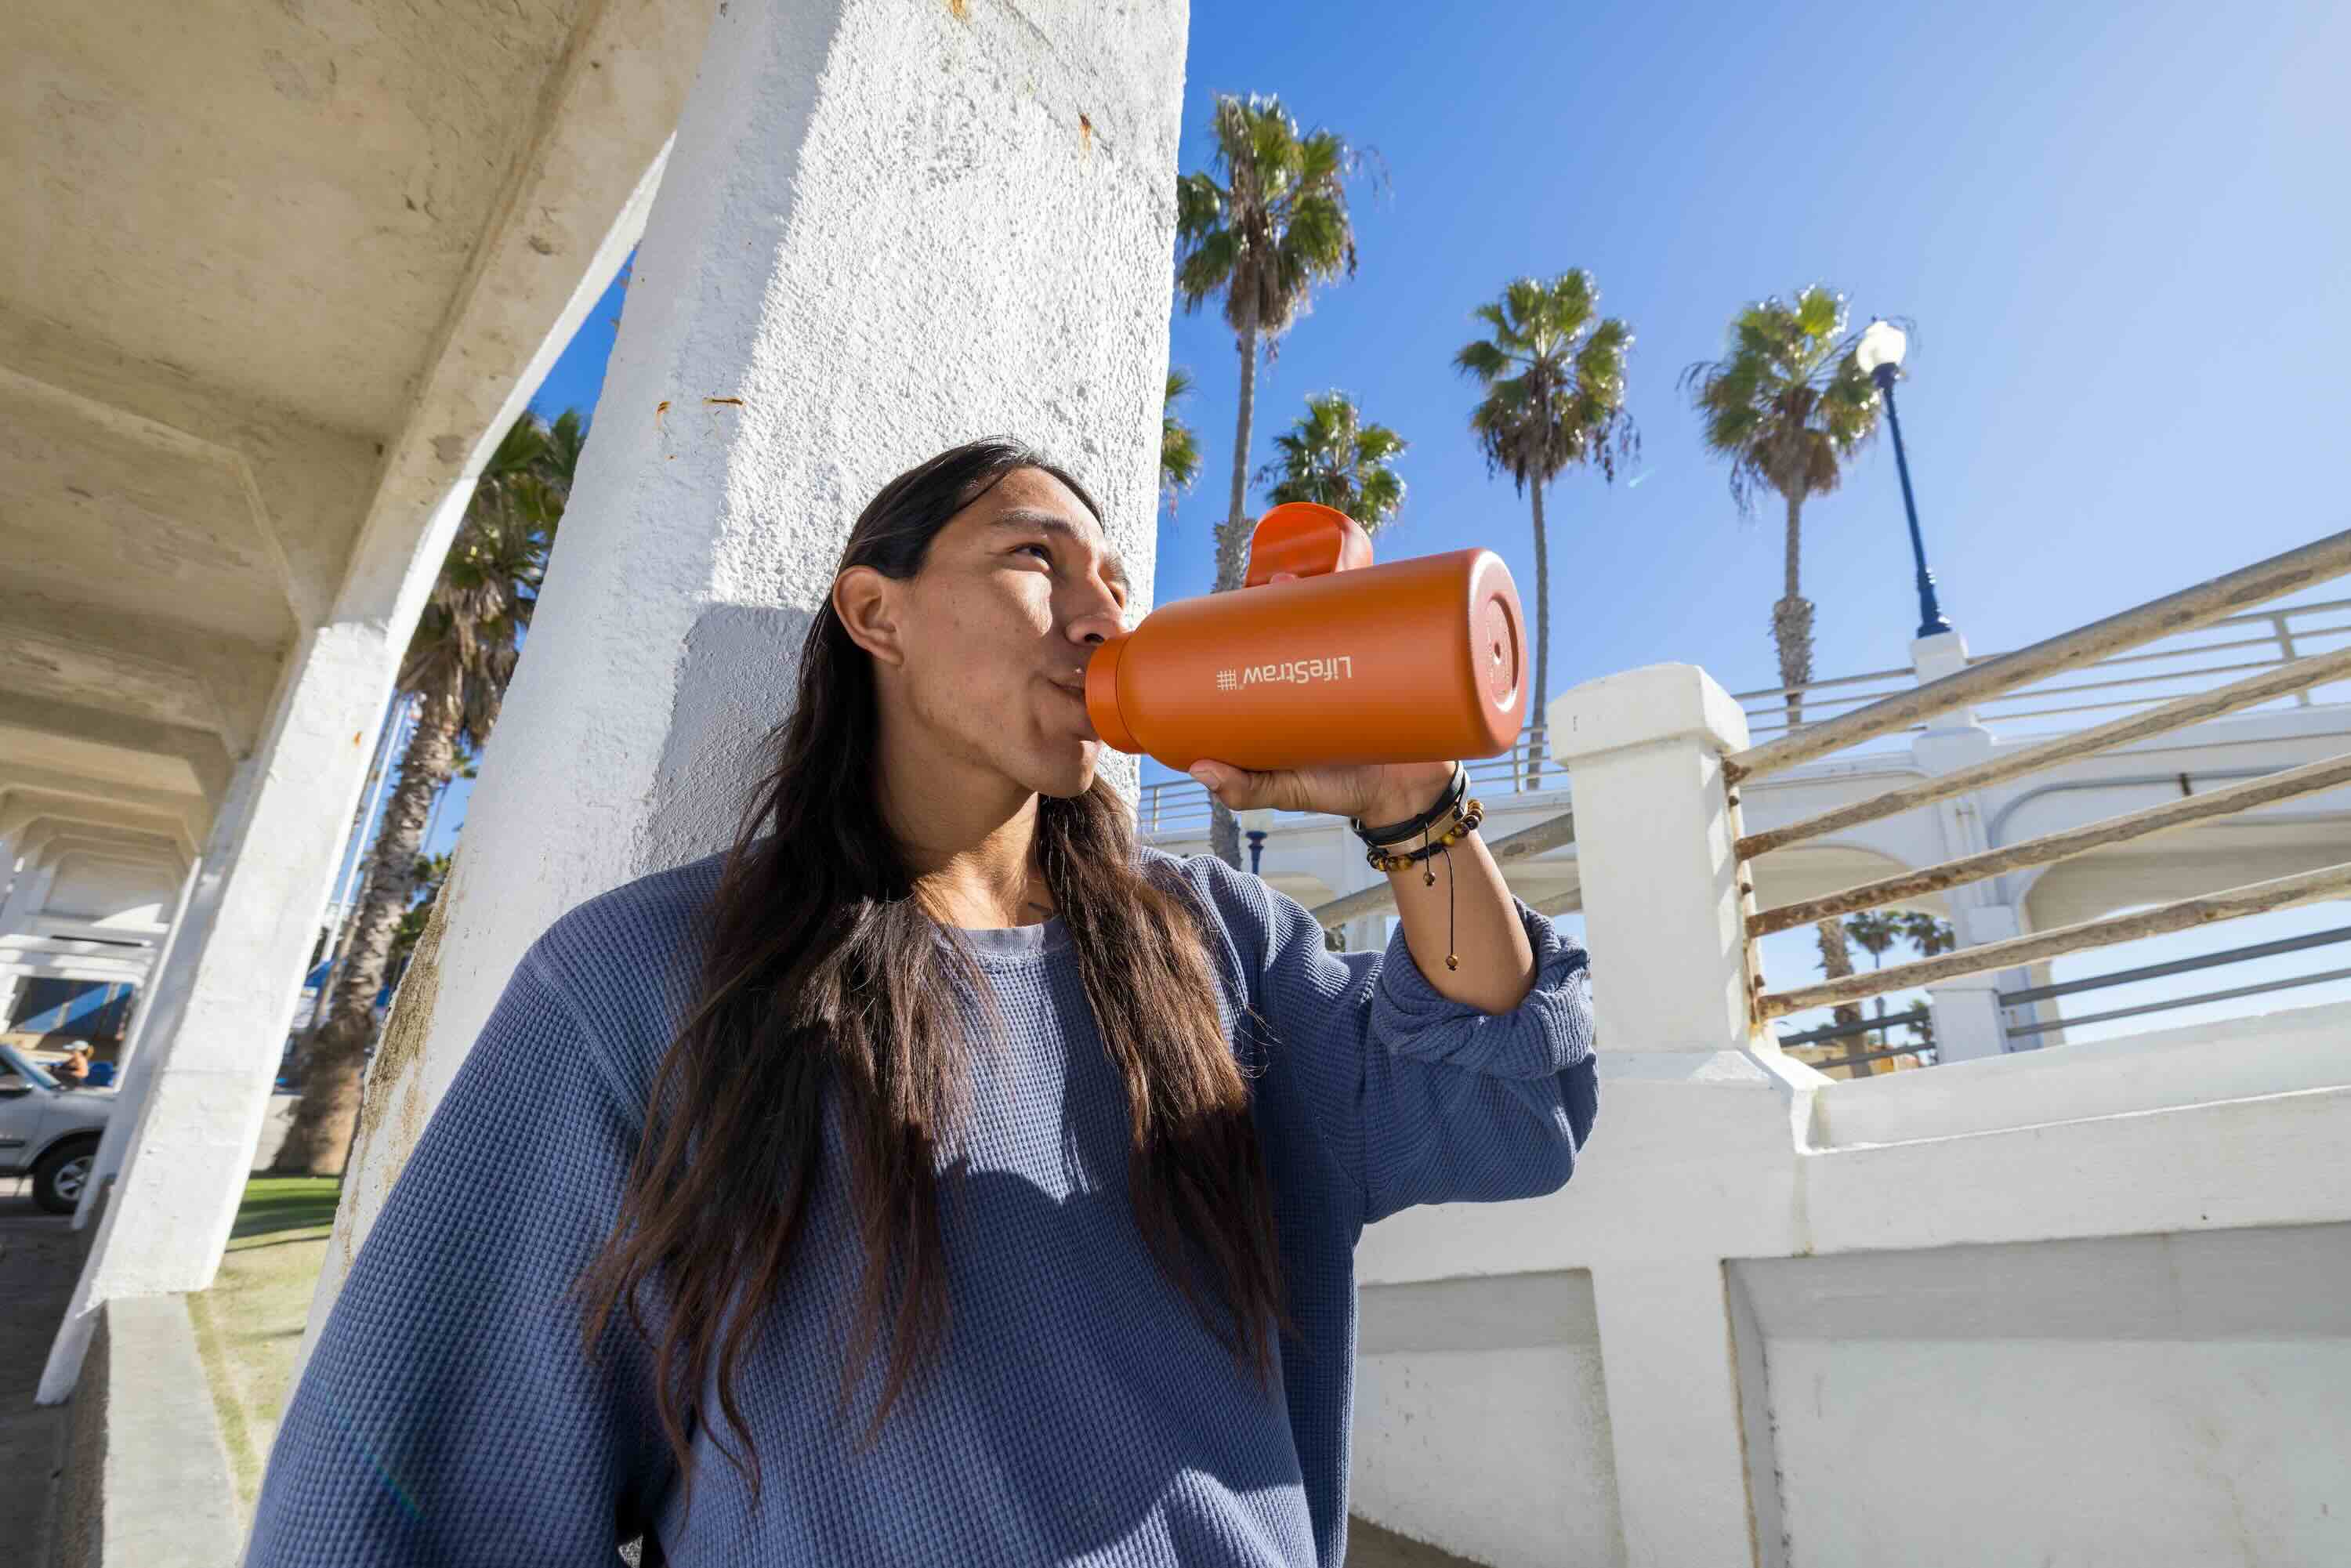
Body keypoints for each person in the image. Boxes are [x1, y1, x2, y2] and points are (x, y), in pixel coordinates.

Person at [246, 438, 1598, 1568]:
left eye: (1116, 582)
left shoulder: (1215, 946)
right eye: (1033, 558)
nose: (1099, 613)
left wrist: (1409, 803)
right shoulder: (648, 981)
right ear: (874, 612)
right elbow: (394, 1500)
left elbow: (1506, 1099)